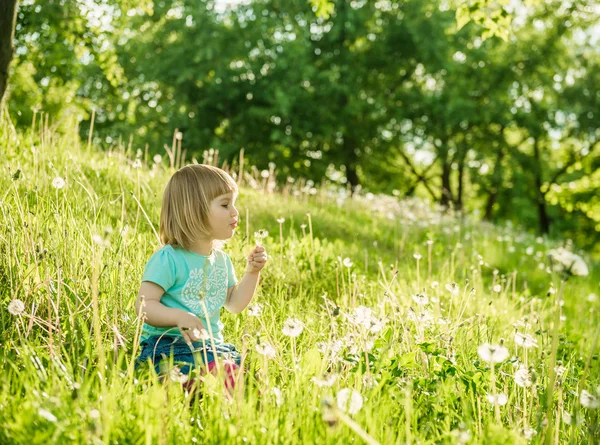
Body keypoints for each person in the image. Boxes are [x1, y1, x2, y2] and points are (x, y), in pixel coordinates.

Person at [134, 164, 267, 392]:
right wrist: (178, 317)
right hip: (168, 345)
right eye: (225, 204)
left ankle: (213, 386)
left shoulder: (221, 260)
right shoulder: (169, 259)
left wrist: (252, 273)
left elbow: (234, 304)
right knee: (188, 372)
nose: (235, 212)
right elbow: (144, 307)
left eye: (233, 203)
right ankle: (194, 386)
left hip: (211, 346)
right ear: (193, 211)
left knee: (244, 373)